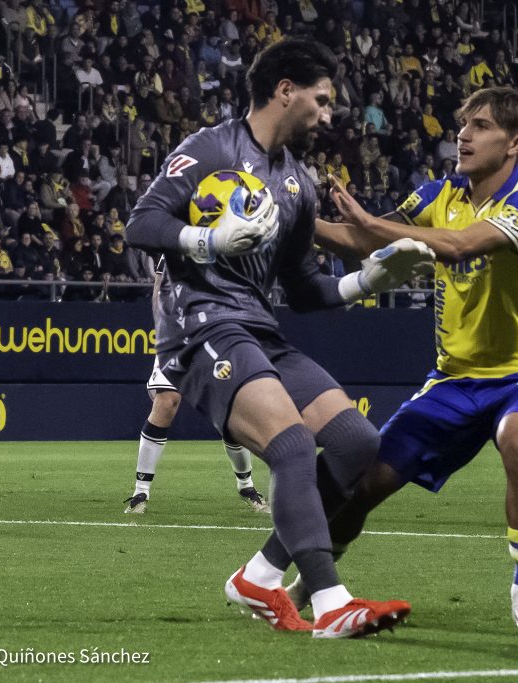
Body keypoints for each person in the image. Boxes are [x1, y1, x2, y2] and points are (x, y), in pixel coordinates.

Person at [125, 39, 430, 638]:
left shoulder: (298, 183)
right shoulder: (210, 148)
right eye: (322, 99)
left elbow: (304, 287)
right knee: (291, 446)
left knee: (357, 443)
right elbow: (142, 223)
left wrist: (366, 282)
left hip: (260, 328)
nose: (328, 114)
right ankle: (332, 603)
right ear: (285, 90)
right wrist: (206, 240)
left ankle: (260, 576)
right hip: (202, 325)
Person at [307, 86, 518, 631]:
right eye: (463, 124)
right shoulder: (438, 194)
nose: (463, 135)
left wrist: (372, 225)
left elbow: (460, 245)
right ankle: (314, 585)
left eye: (481, 126)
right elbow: (361, 239)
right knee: (364, 484)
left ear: (515, 143)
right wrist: (289, 222)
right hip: (454, 378)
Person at [123, 256, 270, 515]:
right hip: (177, 337)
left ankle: (246, 485)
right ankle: (140, 492)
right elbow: (159, 288)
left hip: (216, 335)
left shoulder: (230, 246)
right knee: (166, 401)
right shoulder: (175, 245)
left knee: (232, 413)